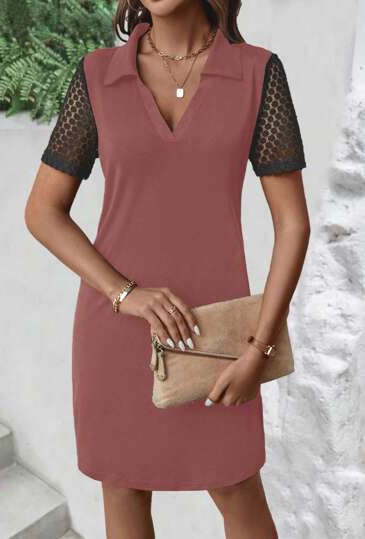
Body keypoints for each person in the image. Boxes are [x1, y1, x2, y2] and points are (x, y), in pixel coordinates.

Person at [25, 1, 310, 537]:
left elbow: (293, 224)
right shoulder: (97, 76)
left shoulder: (257, 72)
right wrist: (124, 292)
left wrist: (260, 348)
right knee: (124, 487)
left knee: (236, 485)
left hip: (218, 339)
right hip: (116, 332)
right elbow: (42, 211)